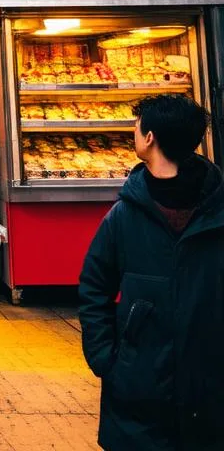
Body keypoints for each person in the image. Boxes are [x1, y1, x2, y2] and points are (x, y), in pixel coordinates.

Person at [79, 94, 224, 450]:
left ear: (149, 138)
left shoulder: (216, 213)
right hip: (136, 384)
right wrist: (107, 361)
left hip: (209, 386)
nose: (133, 130)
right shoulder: (127, 213)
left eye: (136, 124)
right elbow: (94, 287)